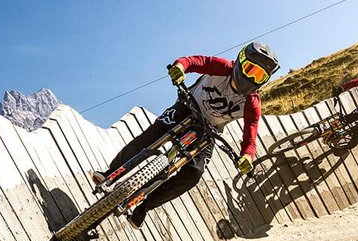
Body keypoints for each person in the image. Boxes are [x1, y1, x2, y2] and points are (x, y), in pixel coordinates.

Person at [93, 42, 279, 228]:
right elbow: (195, 61)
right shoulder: (223, 67)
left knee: (194, 175)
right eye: (250, 69)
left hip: (208, 131)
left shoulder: (252, 103)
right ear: (240, 61)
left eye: (260, 75)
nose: (252, 78)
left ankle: (144, 208)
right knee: (151, 136)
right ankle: (110, 173)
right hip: (186, 107)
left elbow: (250, 136)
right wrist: (180, 68)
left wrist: (247, 156)